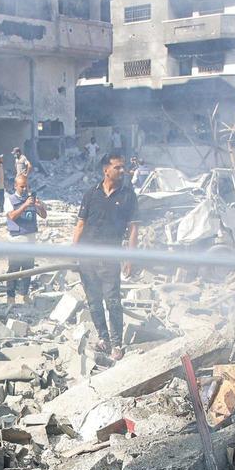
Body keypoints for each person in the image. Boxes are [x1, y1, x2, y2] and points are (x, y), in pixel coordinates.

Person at [73, 152, 138, 361]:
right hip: (87, 256)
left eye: (123, 167)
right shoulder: (91, 194)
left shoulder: (128, 195)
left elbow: (133, 228)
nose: (122, 171)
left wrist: (130, 256)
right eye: (118, 167)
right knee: (94, 301)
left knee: (112, 301)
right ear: (106, 170)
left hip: (111, 257)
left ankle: (117, 343)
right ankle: (103, 338)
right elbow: (80, 224)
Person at [4, 173, 47, 306]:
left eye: (26, 186)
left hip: (30, 240)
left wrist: (39, 206)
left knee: (28, 269)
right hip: (16, 241)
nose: (24, 189)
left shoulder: (32, 199)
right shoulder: (9, 200)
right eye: (22, 186)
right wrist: (24, 205)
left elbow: (44, 216)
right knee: (14, 270)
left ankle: (24, 294)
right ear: (15, 186)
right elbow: (11, 216)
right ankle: (10, 297)